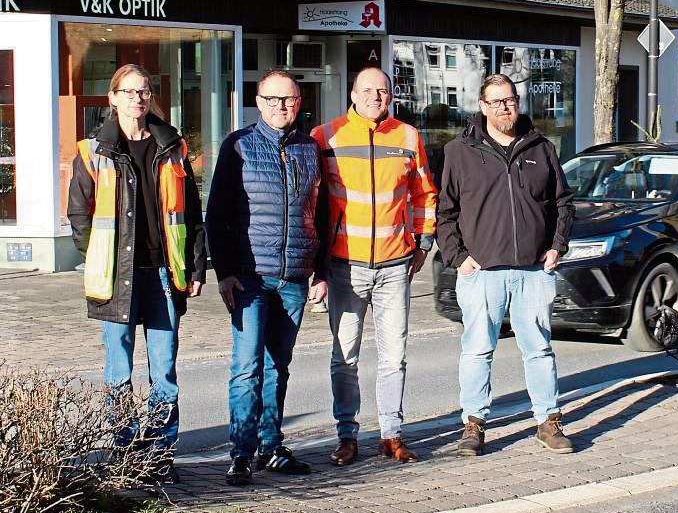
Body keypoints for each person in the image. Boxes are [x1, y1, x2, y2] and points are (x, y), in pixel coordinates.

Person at [67, 64, 206, 482]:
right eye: (128, 92)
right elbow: (79, 214)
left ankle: (160, 456)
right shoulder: (94, 151)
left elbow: (191, 213)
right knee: (118, 372)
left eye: (143, 91)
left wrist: (196, 264)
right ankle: (123, 454)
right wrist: (95, 255)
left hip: (163, 274)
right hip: (116, 278)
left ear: (150, 97)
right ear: (112, 98)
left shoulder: (173, 147)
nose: (137, 99)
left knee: (164, 371)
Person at [436, 74, 575, 457]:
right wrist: (459, 258)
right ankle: (473, 425)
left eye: (510, 100)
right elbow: (445, 213)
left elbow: (563, 203)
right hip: (481, 273)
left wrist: (556, 247)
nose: (504, 107)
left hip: (533, 271)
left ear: (518, 102)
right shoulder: (459, 152)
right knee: (478, 350)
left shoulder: (542, 148)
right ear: (482, 107)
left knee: (539, 350)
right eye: (495, 102)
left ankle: (548, 422)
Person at [206, 69, 329, 486]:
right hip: (250, 277)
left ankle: (271, 447)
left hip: (294, 276)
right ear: (258, 103)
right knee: (247, 367)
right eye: (273, 99)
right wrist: (223, 272)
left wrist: (321, 272)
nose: (281, 107)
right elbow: (217, 214)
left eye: (290, 100)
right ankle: (240, 453)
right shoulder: (238, 146)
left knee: (280, 366)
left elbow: (324, 214)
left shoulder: (310, 149)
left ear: (299, 103)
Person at [312, 67, 437, 467]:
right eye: (367, 90)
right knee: (344, 356)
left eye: (382, 90)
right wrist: (316, 262)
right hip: (345, 266)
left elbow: (424, 193)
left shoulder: (408, 136)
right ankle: (346, 436)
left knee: (393, 356)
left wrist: (424, 241)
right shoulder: (325, 136)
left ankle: (391, 434)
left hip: (394, 264)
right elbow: (312, 201)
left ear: (391, 95)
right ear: (352, 94)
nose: (375, 96)